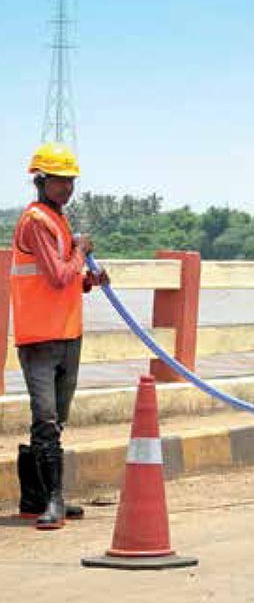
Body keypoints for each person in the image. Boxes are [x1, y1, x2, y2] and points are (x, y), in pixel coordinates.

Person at [10, 144, 109, 529]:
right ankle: (52, 499)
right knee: (46, 420)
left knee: (55, 420)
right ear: (41, 180)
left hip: (67, 333)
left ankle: (37, 498)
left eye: (70, 180)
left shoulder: (57, 219)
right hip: (39, 338)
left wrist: (89, 280)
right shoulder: (36, 221)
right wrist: (81, 251)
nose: (66, 187)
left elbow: (65, 281)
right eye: (59, 180)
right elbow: (54, 275)